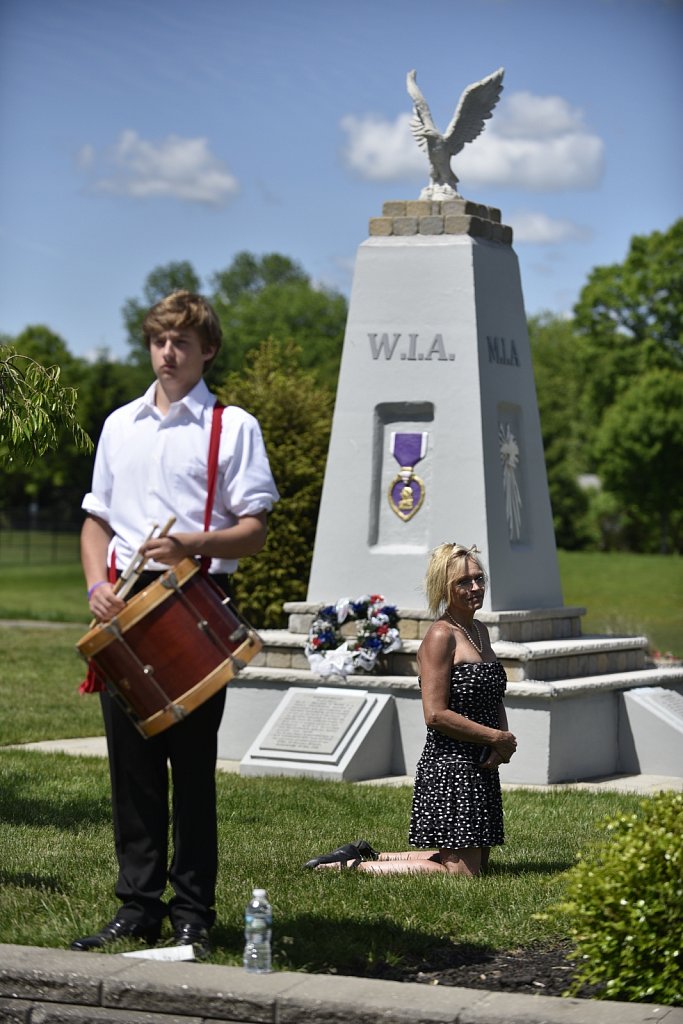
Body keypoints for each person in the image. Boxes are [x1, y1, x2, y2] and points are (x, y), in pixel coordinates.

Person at [71, 291, 279, 958]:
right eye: (159, 341)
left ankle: (192, 913)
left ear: (206, 350)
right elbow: (96, 520)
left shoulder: (232, 425)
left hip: (192, 608)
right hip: (124, 612)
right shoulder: (119, 424)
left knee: (189, 774)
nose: (167, 353)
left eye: (181, 343)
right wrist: (97, 584)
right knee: (130, 771)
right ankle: (137, 907)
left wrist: (190, 541)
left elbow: (253, 532)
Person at [304, 543, 517, 876]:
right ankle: (350, 867)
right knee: (463, 873)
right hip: (452, 765)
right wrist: (496, 737)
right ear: (443, 588)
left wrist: (501, 741)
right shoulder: (440, 636)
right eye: (463, 582)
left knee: (473, 863)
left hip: (481, 762)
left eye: (478, 578)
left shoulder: (478, 630)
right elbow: (434, 714)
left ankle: (368, 854)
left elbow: (493, 691)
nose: (475, 587)